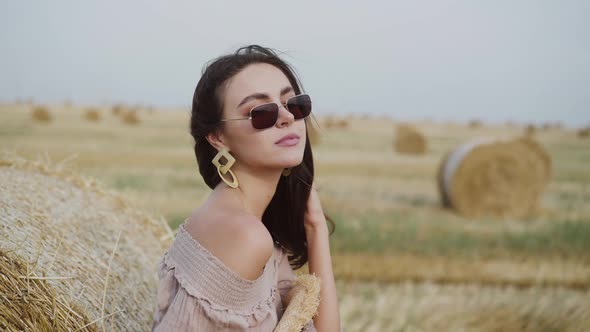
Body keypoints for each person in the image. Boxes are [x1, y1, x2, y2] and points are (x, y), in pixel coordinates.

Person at [151, 45, 341, 331]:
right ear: (217, 137)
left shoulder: (241, 218)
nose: (287, 117)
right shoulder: (246, 237)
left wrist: (316, 227)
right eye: (260, 112)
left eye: (294, 104)